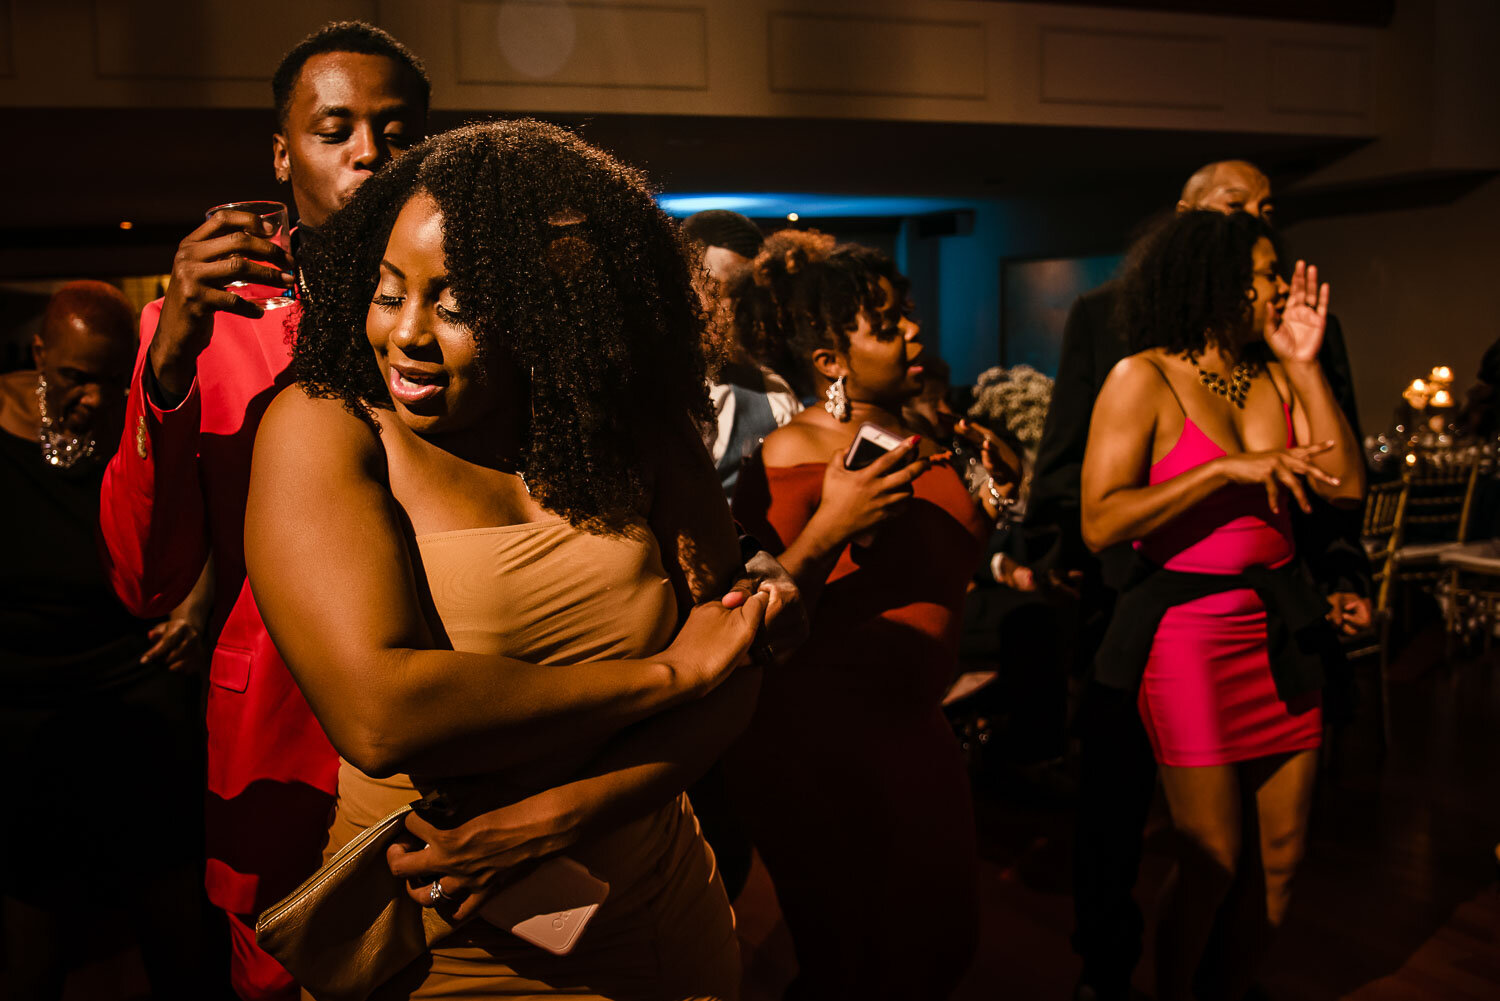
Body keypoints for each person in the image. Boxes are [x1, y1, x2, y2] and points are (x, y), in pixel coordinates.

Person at [245, 119, 787, 998]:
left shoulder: (633, 435)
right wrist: (666, 677)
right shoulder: (327, 427)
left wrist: (558, 817)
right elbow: (381, 714)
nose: (408, 334)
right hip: (449, 944)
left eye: (457, 306)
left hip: (661, 915)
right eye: (388, 292)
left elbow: (737, 667)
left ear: (551, 312)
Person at [96, 21, 432, 1000]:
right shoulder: (202, 323)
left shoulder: (465, 305)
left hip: (441, 702)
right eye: (336, 129)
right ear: (283, 153)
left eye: (396, 128)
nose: (369, 150)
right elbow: (145, 578)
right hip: (278, 744)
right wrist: (168, 365)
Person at [1033, 158, 1371, 1001]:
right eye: (1262, 279)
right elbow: (1102, 518)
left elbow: (1347, 485)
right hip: (1186, 637)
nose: (1276, 293)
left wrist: (1303, 365)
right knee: (1211, 857)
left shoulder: (1274, 372)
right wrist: (1225, 473)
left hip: (1281, 629)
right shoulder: (1140, 375)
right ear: (1214, 277)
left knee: (1282, 865)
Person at [725, 233, 1017, 999]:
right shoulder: (793, 453)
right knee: (854, 960)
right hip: (820, 743)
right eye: (888, 326)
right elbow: (762, 620)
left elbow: (935, 571)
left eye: (909, 316)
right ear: (830, 362)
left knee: (942, 940)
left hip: (914, 725)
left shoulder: (923, 438)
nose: (915, 332)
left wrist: (989, 502)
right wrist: (833, 521)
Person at [1, 282, 216, 1000]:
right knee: (29, 944)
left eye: (110, 376)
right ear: (39, 353)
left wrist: (195, 600)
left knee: (180, 930)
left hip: (136, 676)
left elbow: (211, 505)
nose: (93, 398)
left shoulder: (144, 413)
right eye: (73, 377)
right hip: (22, 700)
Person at [683, 209, 801, 497]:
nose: (731, 311)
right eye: (714, 289)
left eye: (743, 296)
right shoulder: (633, 387)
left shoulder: (773, 396)